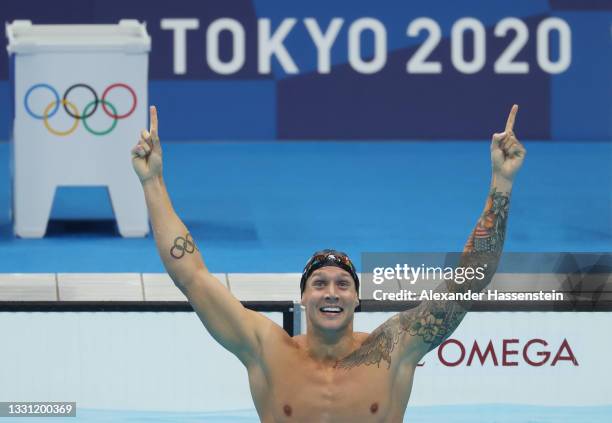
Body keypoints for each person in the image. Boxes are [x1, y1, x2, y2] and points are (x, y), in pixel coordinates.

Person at [131, 105, 526, 422]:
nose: (331, 292)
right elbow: (192, 277)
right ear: (302, 298)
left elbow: (468, 283)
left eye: (342, 284)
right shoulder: (266, 349)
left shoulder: (395, 347)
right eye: (319, 283)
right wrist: (152, 182)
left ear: (357, 299)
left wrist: (501, 181)